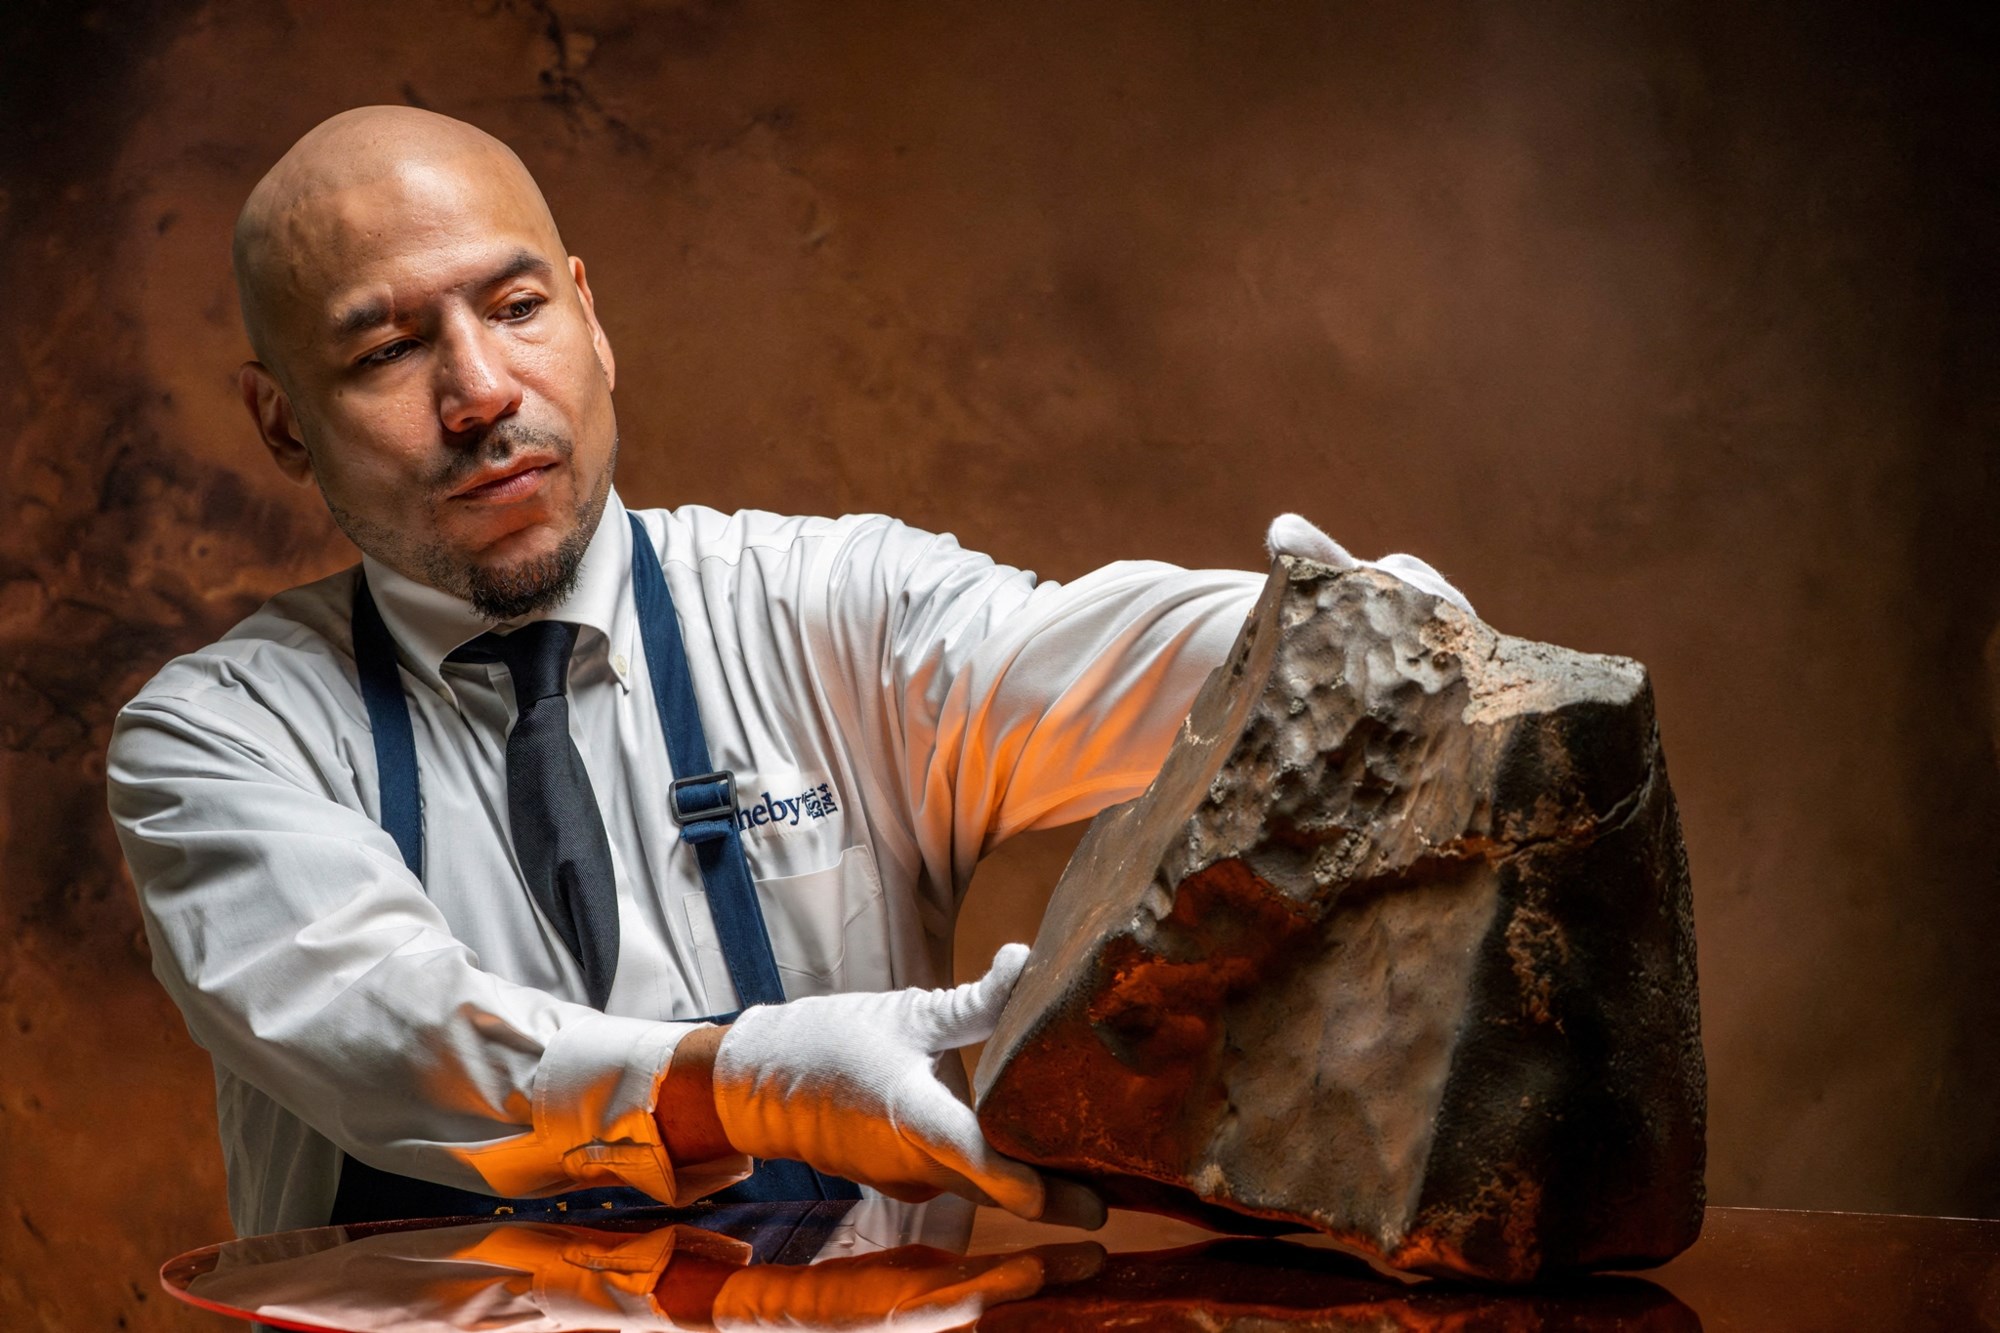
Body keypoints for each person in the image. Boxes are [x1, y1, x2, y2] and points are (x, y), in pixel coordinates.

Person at [108, 107, 1471, 1240]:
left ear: (590, 319)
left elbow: (1108, 666)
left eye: (517, 307)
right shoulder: (220, 739)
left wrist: (1341, 635)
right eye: (388, 350)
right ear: (281, 422)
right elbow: (384, 1027)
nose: (480, 393)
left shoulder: (834, 614)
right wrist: (754, 1085)